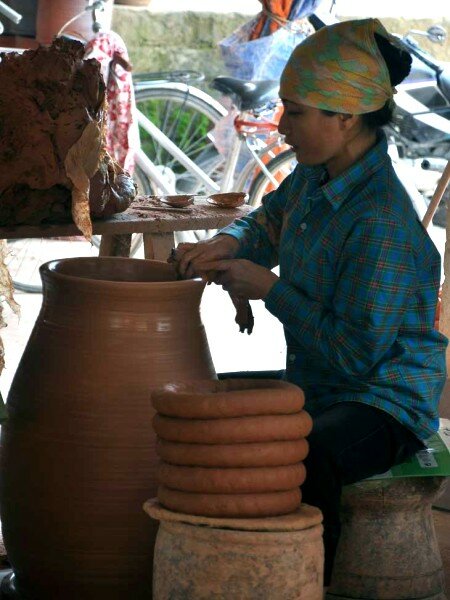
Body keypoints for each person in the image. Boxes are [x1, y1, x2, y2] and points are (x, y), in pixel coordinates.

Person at [171, 18, 448, 585]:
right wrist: (227, 244)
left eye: (295, 112)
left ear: (345, 117)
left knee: (308, 454)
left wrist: (268, 289)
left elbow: (355, 356)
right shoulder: (313, 178)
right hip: (318, 380)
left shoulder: (381, 222)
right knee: (207, 401)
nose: (281, 124)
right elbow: (267, 222)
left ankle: (301, 583)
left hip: (382, 399)